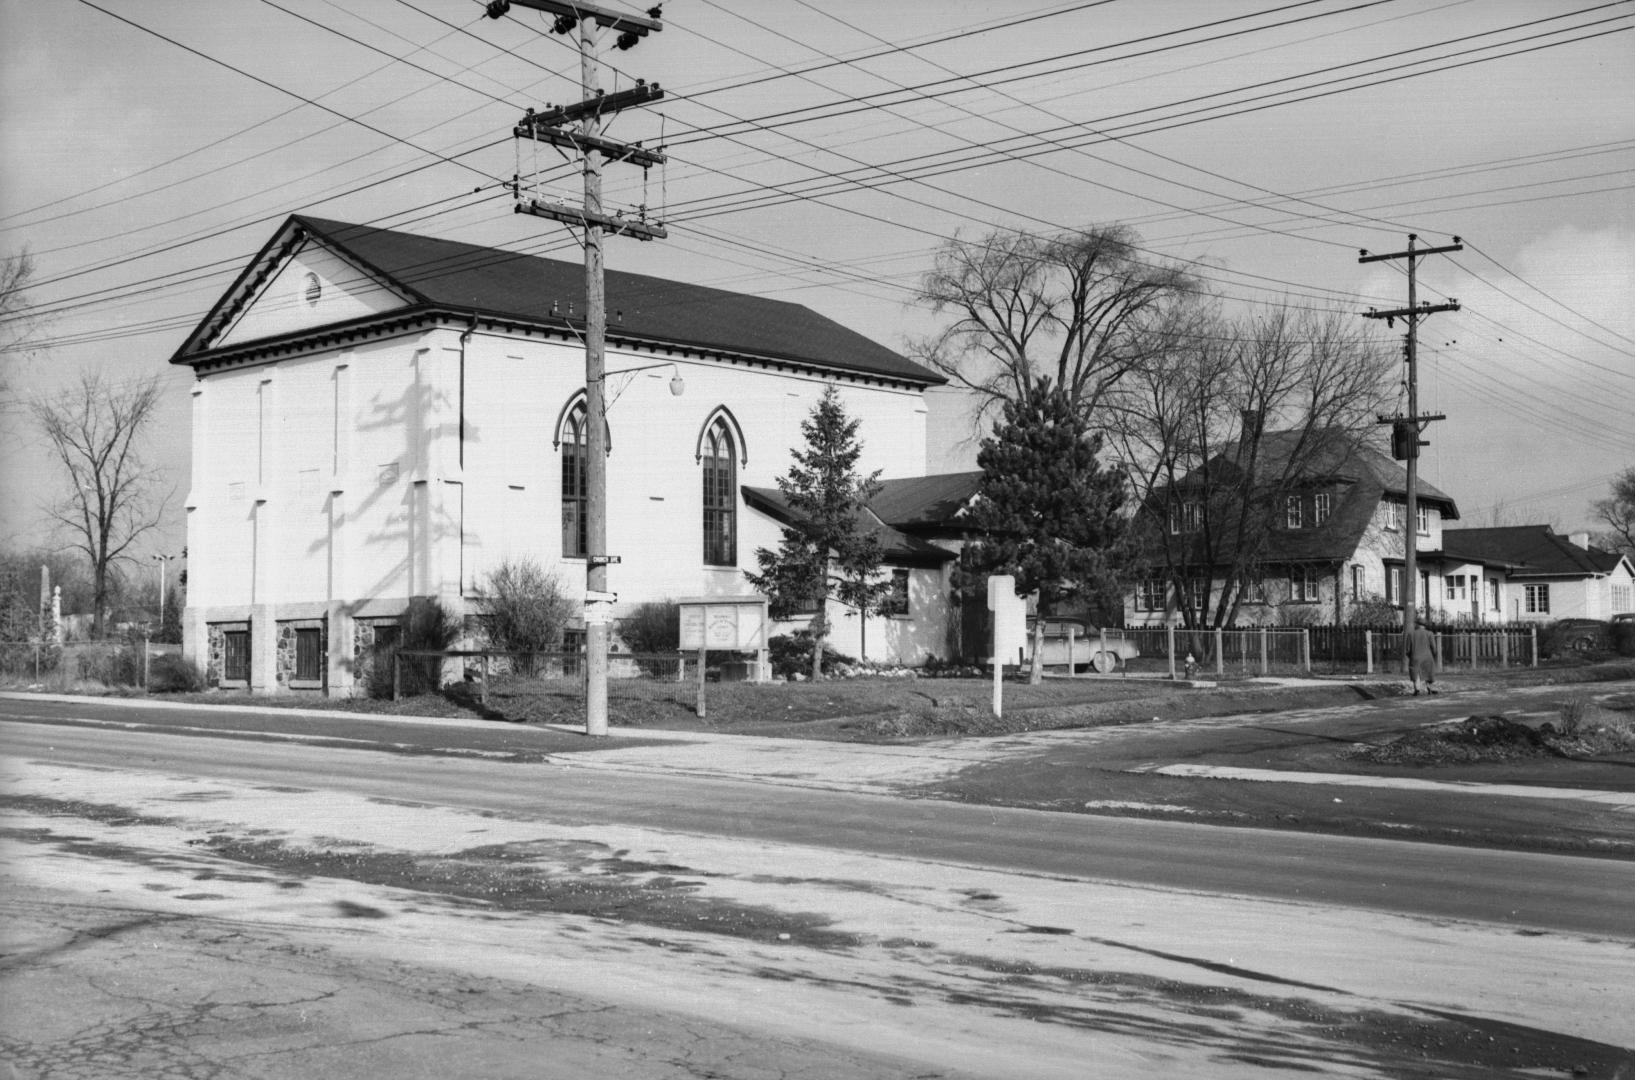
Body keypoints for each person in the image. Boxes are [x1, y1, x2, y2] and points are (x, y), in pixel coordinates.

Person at [1406, 623, 1439, 694]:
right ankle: (1430, 688)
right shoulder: (1429, 633)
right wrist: (1434, 655)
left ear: (1417, 625)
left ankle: (1417, 689)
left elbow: (1408, 649)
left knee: (1416, 673)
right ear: (1424, 625)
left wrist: (1410, 656)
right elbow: (1434, 647)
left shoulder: (1411, 634)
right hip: (1427, 656)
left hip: (1415, 656)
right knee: (1428, 672)